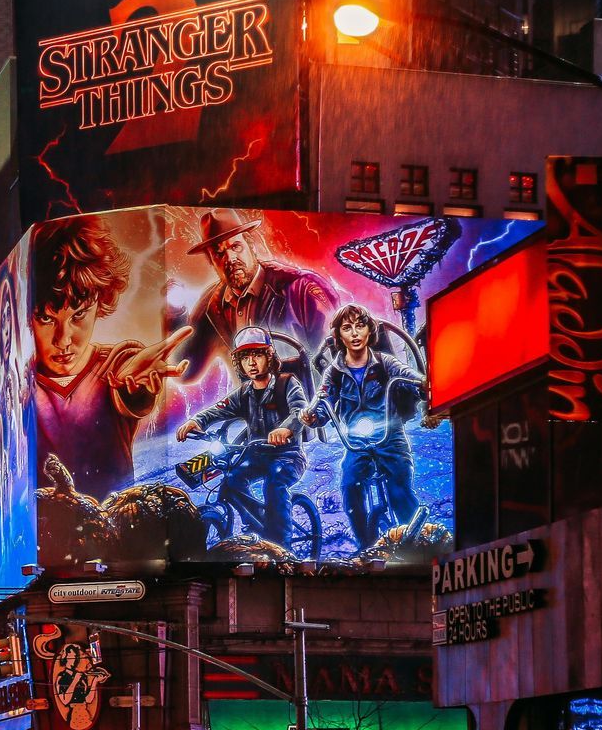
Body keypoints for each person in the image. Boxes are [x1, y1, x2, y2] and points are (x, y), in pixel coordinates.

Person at [29, 215, 189, 498]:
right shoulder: (14, 385)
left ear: (99, 303)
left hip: (118, 529)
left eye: (78, 315)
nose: (63, 340)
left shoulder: (115, 363)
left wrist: (136, 389)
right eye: (46, 318)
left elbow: (130, 387)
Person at [301, 304, 430, 551]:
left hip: (390, 436)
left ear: (369, 331)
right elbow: (324, 397)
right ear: (339, 336)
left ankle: (416, 546)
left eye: (360, 326)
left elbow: (407, 375)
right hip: (356, 442)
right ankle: (365, 546)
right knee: (350, 486)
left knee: (399, 487)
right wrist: (313, 415)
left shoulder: (384, 363)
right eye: (347, 328)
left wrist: (421, 384)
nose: (355, 333)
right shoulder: (335, 371)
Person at [176, 325, 310, 547]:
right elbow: (219, 409)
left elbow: (300, 411)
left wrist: (285, 429)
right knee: (232, 480)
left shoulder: (287, 383)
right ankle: (256, 523)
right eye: (245, 357)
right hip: (256, 454)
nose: (251, 362)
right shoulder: (244, 393)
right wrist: (196, 421)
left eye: (257, 354)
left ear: (269, 357)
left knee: (275, 483)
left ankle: (282, 547)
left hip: (288, 455)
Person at [177, 208, 334, 384]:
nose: (230, 258)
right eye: (219, 253)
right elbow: (186, 369)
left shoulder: (301, 289)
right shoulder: (212, 306)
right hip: (255, 407)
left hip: (303, 404)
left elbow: (333, 360)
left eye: (236, 246)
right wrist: (175, 316)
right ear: (211, 261)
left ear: (250, 245)